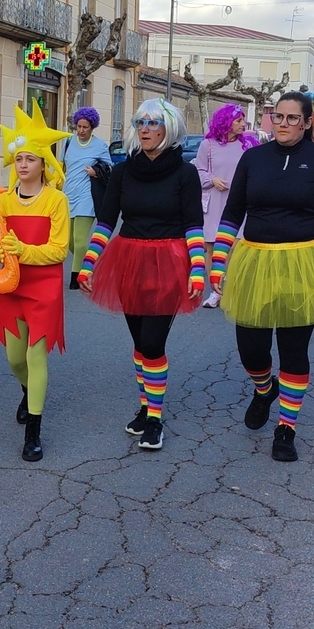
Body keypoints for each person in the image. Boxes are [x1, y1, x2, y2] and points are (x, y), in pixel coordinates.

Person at [210, 91, 314, 463]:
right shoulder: (253, 158)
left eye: (293, 118)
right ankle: (263, 388)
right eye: (279, 117)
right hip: (254, 260)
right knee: (251, 349)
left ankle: (286, 428)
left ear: (307, 123)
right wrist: (218, 261)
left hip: (304, 262)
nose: (284, 124)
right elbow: (232, 213)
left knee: (294, 350)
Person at [78, 98, 205, 451]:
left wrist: (198, 270)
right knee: (138, 343)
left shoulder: (185, 173)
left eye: (153, 123)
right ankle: (146, 405)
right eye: (140, 123)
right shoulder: (123, 171)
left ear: (169, 129)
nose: (145, 129)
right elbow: (106, 221)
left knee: (152, 343)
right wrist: (89, 262)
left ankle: (155, 419)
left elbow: (194, 225)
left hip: (168, 261)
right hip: (129, 258)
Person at [0, 106, 70, 461]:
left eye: (30, 159)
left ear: (43, 163)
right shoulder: (2, 202)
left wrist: (23, 250)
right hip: (9, 287)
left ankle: (34, 431)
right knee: (14, 358)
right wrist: (0, 251)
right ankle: (26, 389)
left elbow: (59, 250)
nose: (22, 165)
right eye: (18, 158)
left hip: (43, 287)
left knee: (37, 356)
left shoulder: (56, 200)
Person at [194, 104, 259, 309]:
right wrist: (212, 180)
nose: (243, 124)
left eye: (243, 120)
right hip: (215, 201)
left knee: (236, 247)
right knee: (212, 247)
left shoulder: (248, 145)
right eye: (239, 120)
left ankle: (232, 289)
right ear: (226, 123)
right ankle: (215, 291)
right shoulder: (208, 145)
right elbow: (198, 170)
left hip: (239, 203)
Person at [62, 106, 111, 290]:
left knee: (81, 240)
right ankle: (89, 265)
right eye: (79, 126)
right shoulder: (68, 142)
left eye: (85, 127)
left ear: (92, 127)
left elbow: (110, 169)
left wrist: (96, 172)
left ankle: (76, 278)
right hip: (68, 195)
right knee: (69, 241)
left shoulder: (99, 146)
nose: (81, 130)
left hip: (87, 196)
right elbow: (62, 166)